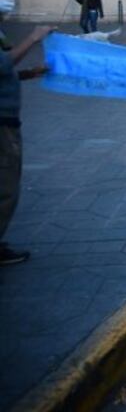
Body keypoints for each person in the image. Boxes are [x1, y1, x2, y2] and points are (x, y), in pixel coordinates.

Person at [0, 21, 54, 265]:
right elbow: (2, 64)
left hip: (8, 119)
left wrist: (29, 73)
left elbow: (5, 72)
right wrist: (34, 37)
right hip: (3, 124)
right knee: (6, 186)